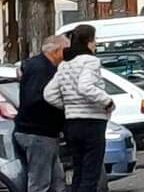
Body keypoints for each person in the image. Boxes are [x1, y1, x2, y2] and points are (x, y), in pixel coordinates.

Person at [43, 25, 115, 192]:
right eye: (94, 40)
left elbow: (49, 94)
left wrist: (69, 105)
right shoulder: (90, 61)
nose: (95, 44)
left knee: (79, 169)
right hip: (92, 122)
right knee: (91, 172)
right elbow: (85, 86)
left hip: (72, 123)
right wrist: (107, 102)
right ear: (88, 42)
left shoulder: (65, 65)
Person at [14, 35, 70, 192]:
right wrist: (60, 109)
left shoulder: (36, 66)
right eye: (66, 49)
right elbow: (35, 100)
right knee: (40, 182)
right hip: (38, 133)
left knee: (57, 181)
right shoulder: (42, 70)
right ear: (57, 50)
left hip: (41, 132)